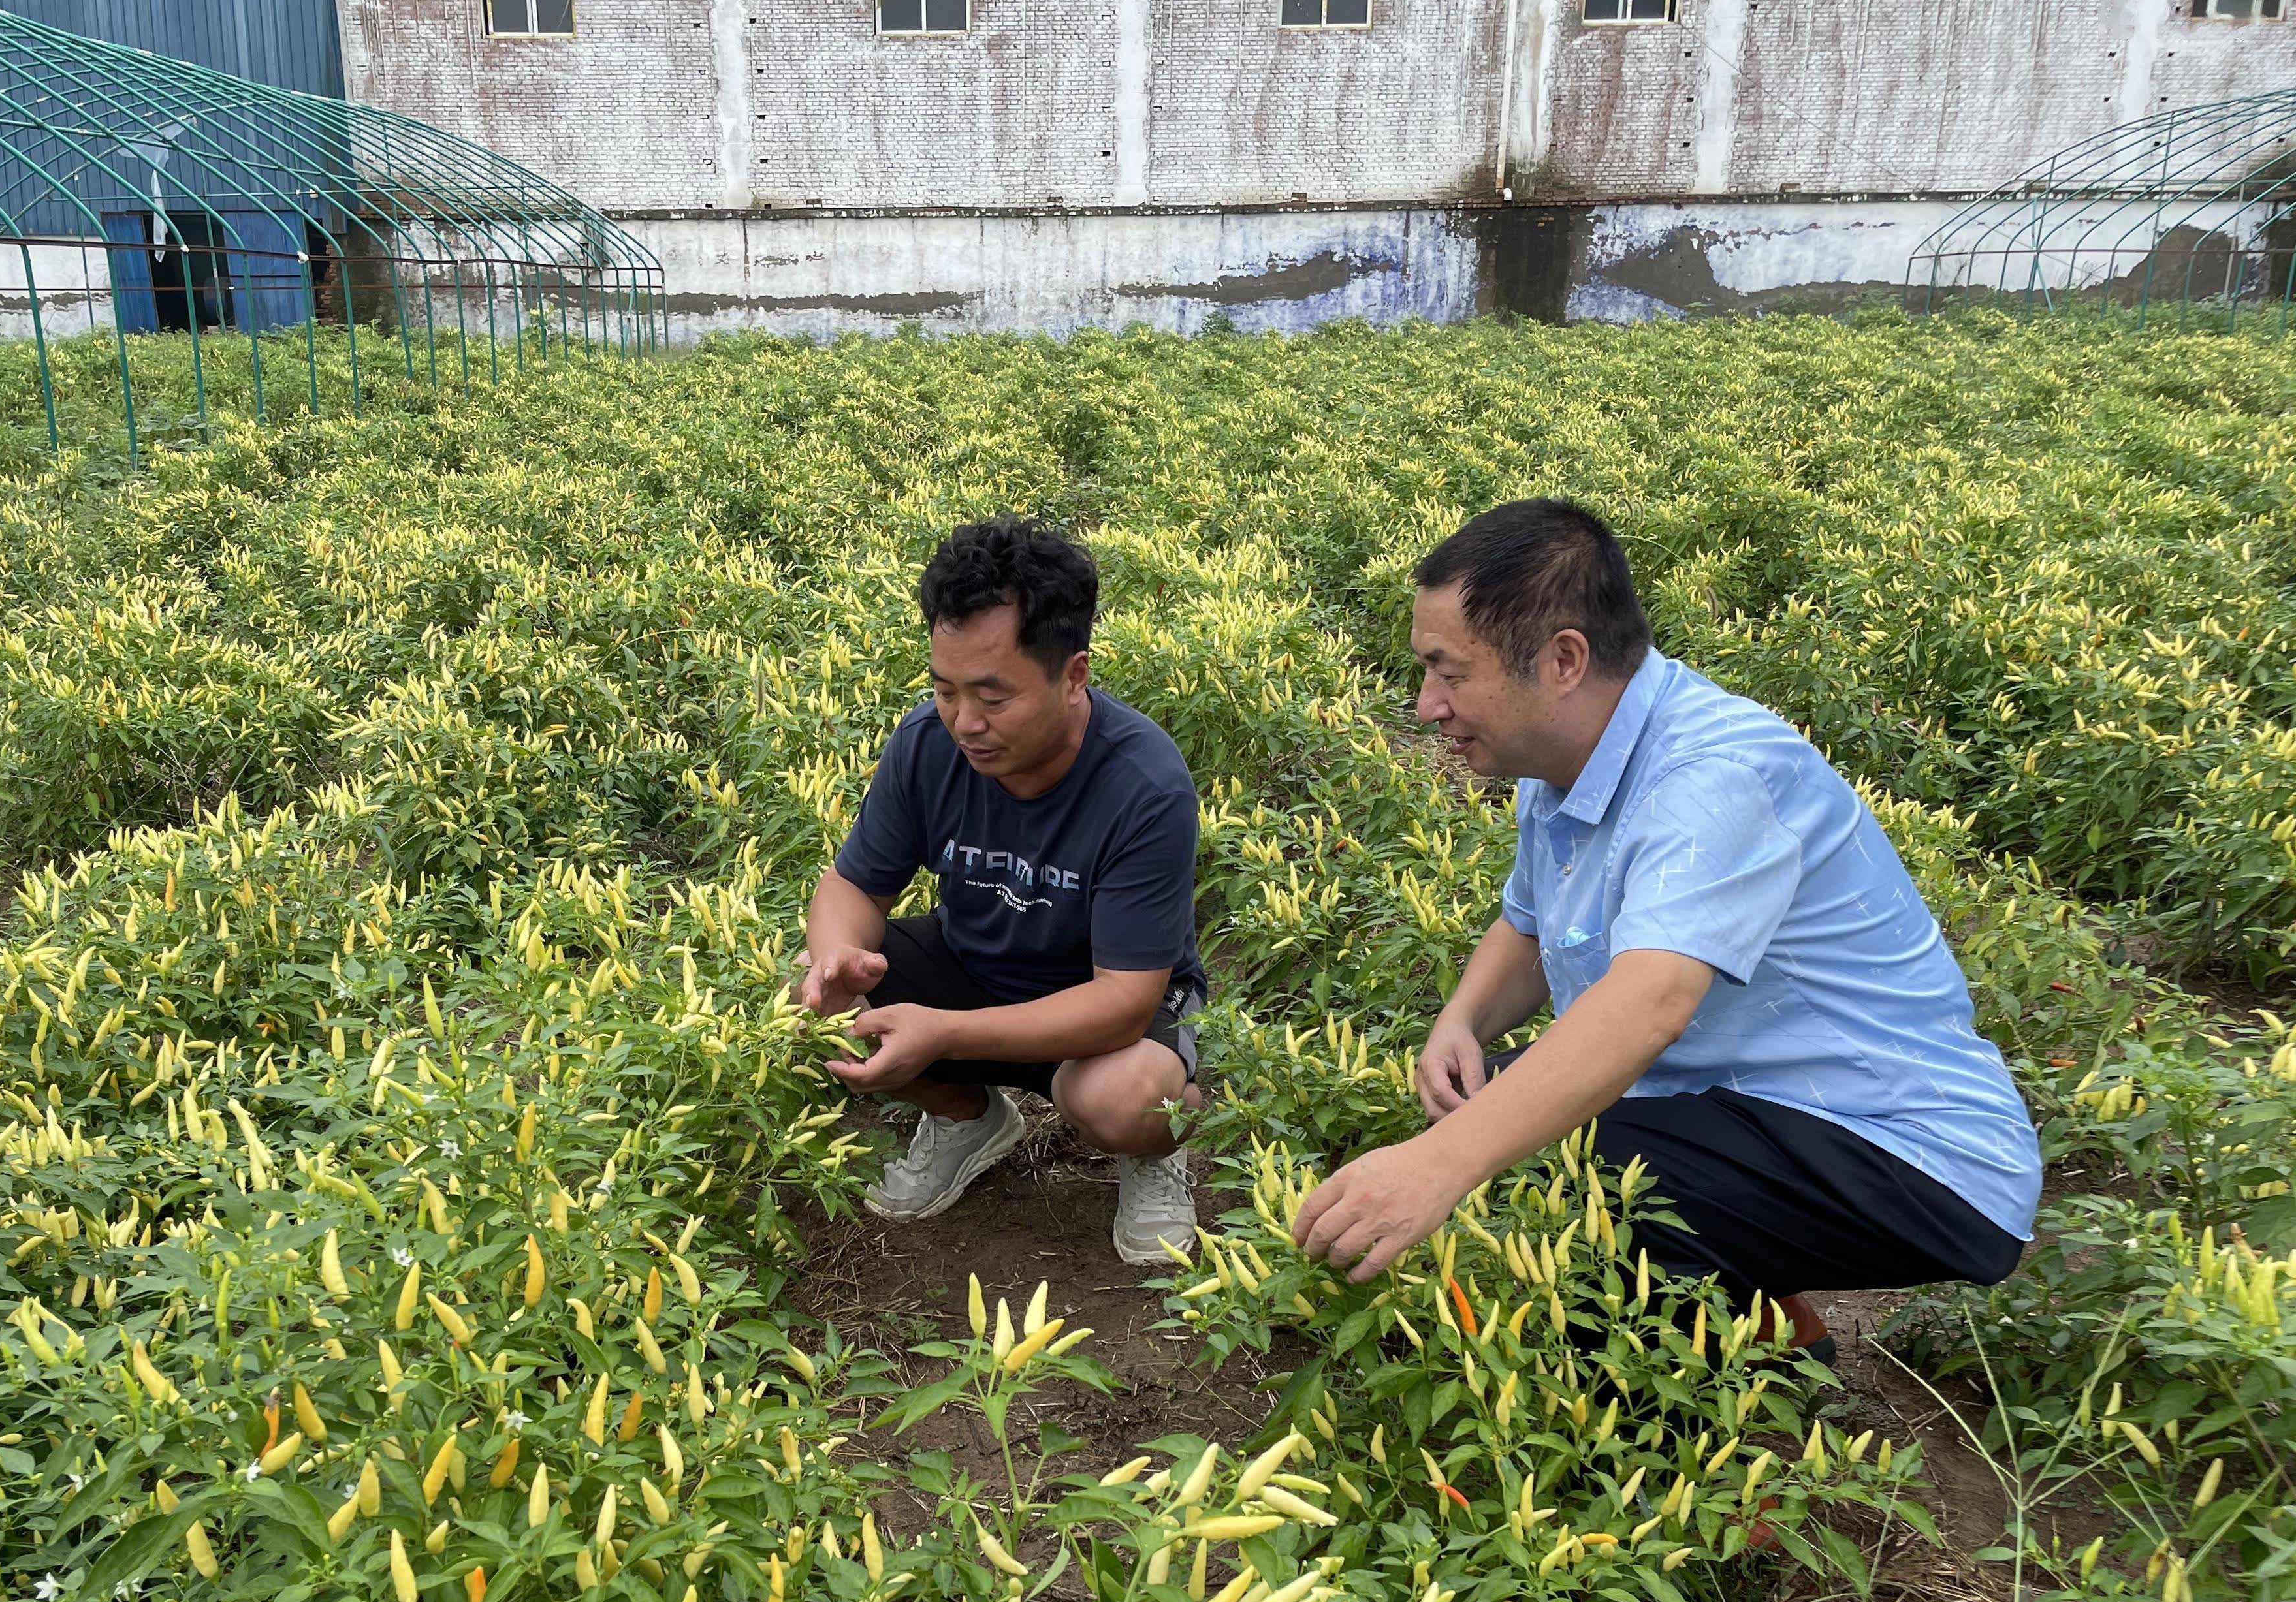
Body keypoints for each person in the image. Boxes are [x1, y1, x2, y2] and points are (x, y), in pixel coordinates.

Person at [1292, 499, 2039, 1360]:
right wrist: (1460, 1023)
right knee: (1496, 1129)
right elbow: (1529, 923)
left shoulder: (1709, 777)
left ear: (1562, 659)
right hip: (1749, 1109)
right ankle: (1763, 1328)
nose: (1427, 706)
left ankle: (1670, 1458)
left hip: (1906, 1150)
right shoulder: (1566, 756)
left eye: (1449, 672)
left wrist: (1442, 1166)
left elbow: (1651, 1002)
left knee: (1577, 1186)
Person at [797, 516, 1207, 1264]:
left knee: (1122, 1100)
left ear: (1074, 674)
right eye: (945, 691)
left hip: (1102, 1007)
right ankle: (967, 1119)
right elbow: (854, 882)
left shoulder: (1144, 784)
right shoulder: (926, 744)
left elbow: (1123, 999)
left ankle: (1153, 1153)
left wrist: (944, 1033)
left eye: (993, 695)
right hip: (976, 970)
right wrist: (836, 957)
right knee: (809, 1003)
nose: (965, 722)